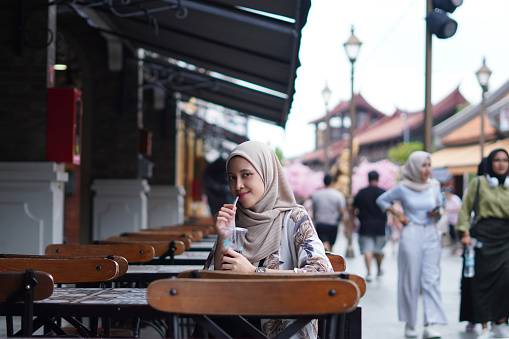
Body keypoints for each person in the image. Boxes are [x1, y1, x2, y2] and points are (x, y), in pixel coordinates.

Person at [208, 140, 333, 339]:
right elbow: (211, 285)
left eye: (246, 174)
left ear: (267, 173)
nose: (237, 185)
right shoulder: (234, 220)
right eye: (232, 178)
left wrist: (255, 272)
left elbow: (323, 274)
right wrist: (224, 237)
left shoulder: (294, 218)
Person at [376, 151, 447, 339]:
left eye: (429, 165)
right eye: (423, 165)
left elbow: (440, 209)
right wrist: (397, 214)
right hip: (411, 233)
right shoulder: (403, 187)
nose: (427, 169)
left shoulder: (434, 186)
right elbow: (381, 200)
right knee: (410, 280)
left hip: (431, 233)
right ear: (414, 166)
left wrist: (436, 214)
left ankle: (429, 324)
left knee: (431, 279)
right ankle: (410, 323)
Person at [456, 149, 509, 339]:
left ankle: (500, 322)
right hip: (483, 239)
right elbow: (465, 210)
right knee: (482, 283)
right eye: (497, 160)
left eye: (505, 160)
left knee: (505, 282)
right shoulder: (478, 183)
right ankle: (485, 326)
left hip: (505, 239)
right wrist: (464, 233)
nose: (502, 164)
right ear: (490, 163)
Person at [351, 170, 387, 282]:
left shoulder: (361, 193)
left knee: (367, 250)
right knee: (379, 250)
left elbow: (353, 208)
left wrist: (352, 221)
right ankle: (379, 269)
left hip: (365, 224)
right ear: (378, 178)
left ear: (368, 179)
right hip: (380, 225)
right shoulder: (383, 192)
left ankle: (369, 272)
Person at [310, 173, 347, 252]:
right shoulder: (338, 195)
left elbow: (314, 210)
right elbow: (342, 211)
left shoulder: (316, 194)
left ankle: (327, 258)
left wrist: (315, 220)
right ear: (332, 182)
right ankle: (329, 259)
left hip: (320, 223)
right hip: (333, 224)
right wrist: (345, 226)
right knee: (330, 244)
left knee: (324, 242)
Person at [443, 185, 462, 254]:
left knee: (457, 236)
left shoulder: (455, 199)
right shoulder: (447, 199)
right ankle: (454, 249)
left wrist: (451, 209)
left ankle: (459, 248)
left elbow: (460, 208)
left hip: (456, 220)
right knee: (452, 235)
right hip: (450, 220)